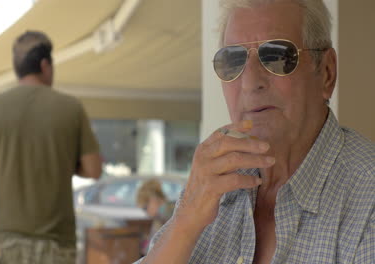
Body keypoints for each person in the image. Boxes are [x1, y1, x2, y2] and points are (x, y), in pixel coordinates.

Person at [136, 0, 374, 263]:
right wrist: (185, 221)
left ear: (327, 73)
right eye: (232, 60)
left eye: (277, 56)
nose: (250, 83)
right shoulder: (213, 184)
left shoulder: (368, 200)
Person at [0, 31, 102, 264]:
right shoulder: (71, 108)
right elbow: (94, 170)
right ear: (45, 65)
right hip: (57, 245)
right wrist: (63, 161)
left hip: (6, 242)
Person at [136, 179, 176, 255]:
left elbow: (150, 250)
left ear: (153, 199)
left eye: (145, 208)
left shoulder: (162, 215)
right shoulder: (172, 208)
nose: (146, 213)